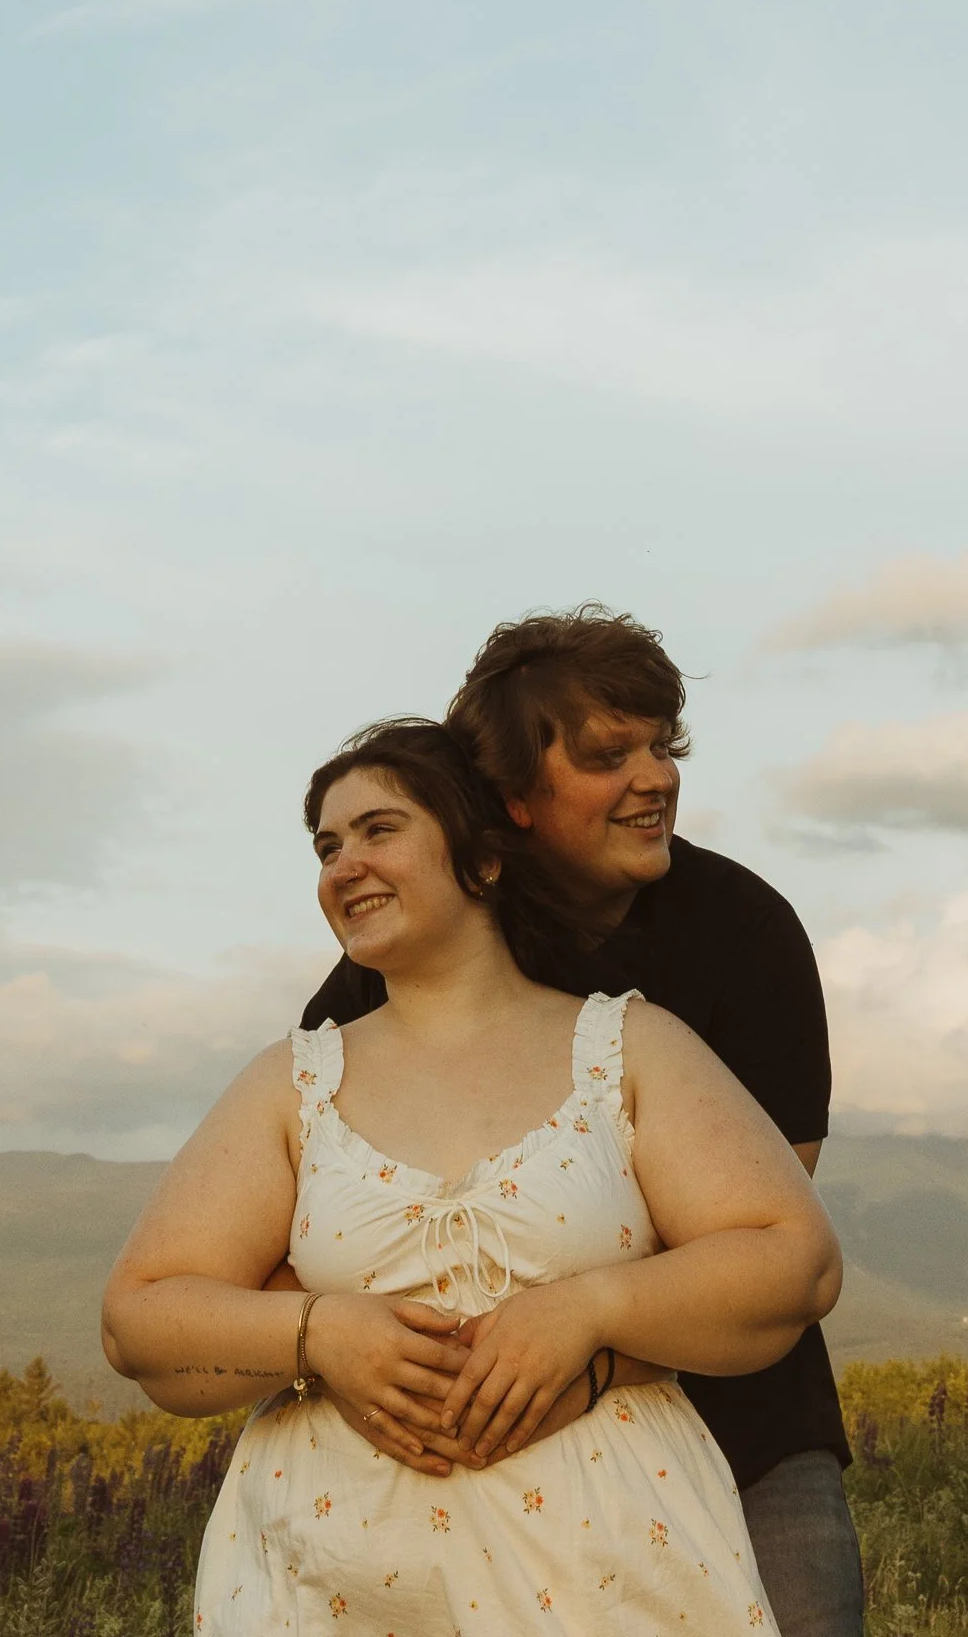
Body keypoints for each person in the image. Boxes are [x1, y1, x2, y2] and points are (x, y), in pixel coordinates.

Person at [103, 719, 842, 1634]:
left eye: (379, 831)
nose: (342, 866)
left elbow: (794, 1259)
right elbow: (139, 1318)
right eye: (327, 847)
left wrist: (587, 1312)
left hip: (607, 1579)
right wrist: (317, 1332)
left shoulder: (628, 1047)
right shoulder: (294, 1082)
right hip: (329, 1583)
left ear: (484, 861)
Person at [301, 609, 865, 1637]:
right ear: (510, 800)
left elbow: (765, 1233)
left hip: (742, 1427)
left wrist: (591, 1344)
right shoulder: (384, 981)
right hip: (486, 1458)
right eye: (611, 755)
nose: (655, 776)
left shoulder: (745, 932)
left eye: (663, 746)